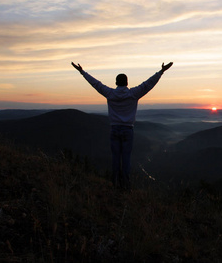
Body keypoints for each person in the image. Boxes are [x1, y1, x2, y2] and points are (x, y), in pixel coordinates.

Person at [71, 61, 173, 189]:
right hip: (128, 130)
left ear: (116, 83)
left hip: (114, 129)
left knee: (115, 158)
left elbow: (96, 84)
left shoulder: (110, 93)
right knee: (126, 158)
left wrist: (82, 72)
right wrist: (161, 71)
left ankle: (114, 182)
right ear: (127, 83)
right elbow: (148, 84)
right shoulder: (133, 94)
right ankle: (125, 185)